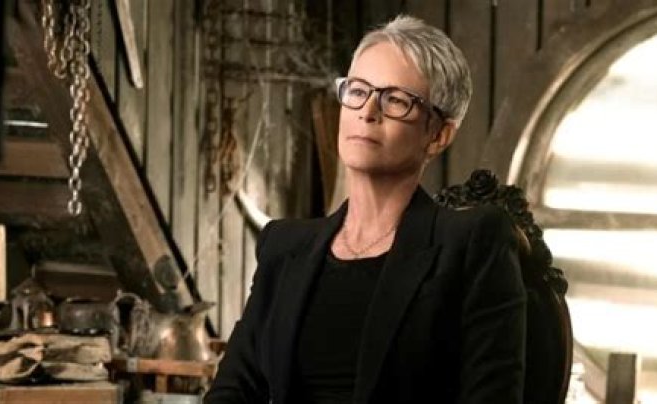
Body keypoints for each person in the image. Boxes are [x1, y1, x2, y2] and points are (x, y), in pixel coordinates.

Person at [204, 15, 526, 404]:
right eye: (357, 91)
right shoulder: (284, 246)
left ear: (438, 135)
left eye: (395, 100)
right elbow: (232, 391)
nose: (367, 111)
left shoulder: (473, 242)